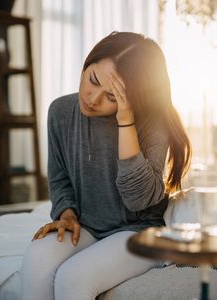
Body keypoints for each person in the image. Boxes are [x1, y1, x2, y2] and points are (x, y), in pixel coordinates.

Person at [21, 31, 192, 300]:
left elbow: (138, 200)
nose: (93, 98)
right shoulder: (60, 111)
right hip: (87, 227)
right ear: (88, 63)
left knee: (72, 278)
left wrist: (126, 122)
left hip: (140, 231)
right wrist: (66, 215)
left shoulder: (152, 122)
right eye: (93, 80)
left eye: (112, 97)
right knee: (37, 256)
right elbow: (59, 178)